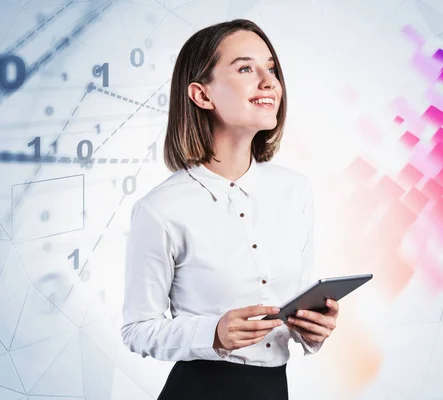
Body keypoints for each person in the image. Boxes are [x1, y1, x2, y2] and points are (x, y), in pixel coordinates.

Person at [121, 19, 340, 400]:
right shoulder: (160, 209)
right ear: (202, 95)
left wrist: (312, 328)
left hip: (275, 390)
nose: (269, 81)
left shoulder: (295, 191)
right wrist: (213, 334)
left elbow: (297, 299)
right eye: (245, 68)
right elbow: (138, 329)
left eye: (270, 68)